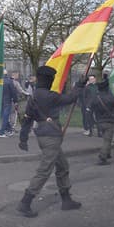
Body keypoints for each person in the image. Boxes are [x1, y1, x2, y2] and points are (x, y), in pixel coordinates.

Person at [16, 66, 84, 217]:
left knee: (62, 166)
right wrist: (79, 86)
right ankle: (25, 202)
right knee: (45, 170)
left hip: (43, 135)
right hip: (51, 137)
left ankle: (66, 200)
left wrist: (23, 138)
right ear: (49, 80)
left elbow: (27, 119)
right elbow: (70, 99)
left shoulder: (33, 97)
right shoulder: (50, 96)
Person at [90, 75, 114, 165]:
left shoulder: (96, 98)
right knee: (107, 140)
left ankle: (108, 153)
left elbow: (91, 107)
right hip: (109, 121)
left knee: (105, 138)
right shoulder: (111, 98)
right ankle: (102, 157)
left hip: (99, 121)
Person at [0, 71, 19, 137]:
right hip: (7, 100)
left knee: (3, 116)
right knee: (5, 117)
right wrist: (15, 101)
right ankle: (1, 132)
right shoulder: (9, 81)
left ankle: (9, 129)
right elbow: (13, 92)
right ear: (6, 74)